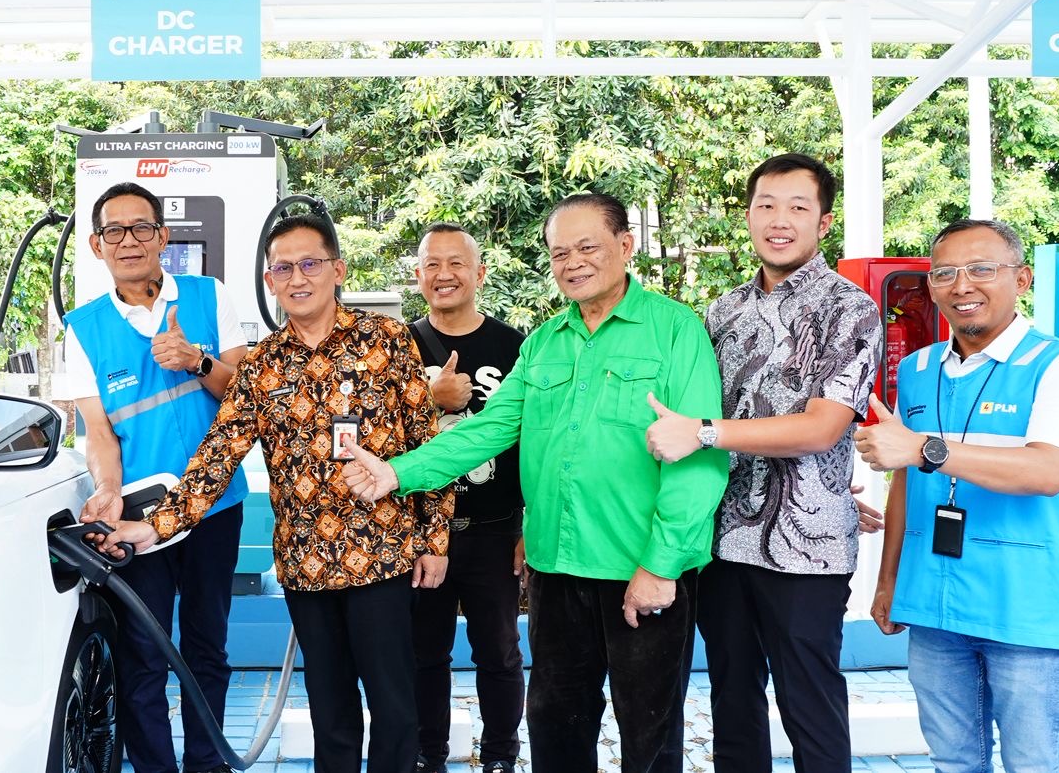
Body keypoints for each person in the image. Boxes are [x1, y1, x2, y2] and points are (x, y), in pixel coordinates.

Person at [341, 193, 729, 773]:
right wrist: (397, 472)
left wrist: (662, 565)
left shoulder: (676, 330)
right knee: (555, 726)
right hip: (556, 567)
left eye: (587, 247)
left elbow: (699, 461)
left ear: (625, 246)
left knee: (649, 734)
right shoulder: (545, 341)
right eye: (559, 253)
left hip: (639, 566)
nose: (572, 263)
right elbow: (489, 428)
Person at [91, 214, 453, 773]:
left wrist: (435, 538)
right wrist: (153, 526)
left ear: (338, 269)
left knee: (395, 707)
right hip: (307, 566)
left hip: (383, 554)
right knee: (331, 713)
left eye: (310, 264)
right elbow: (216, 457)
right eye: (283, 268)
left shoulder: (386, 341)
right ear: (269, 281)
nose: (297, 278)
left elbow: (427, 445)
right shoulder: (262, 367)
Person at [644, 153, 882, 773]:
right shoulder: (721, 312)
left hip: (807, 547)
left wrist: (704, 433)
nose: (780, 220)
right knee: (731, 699)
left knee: (810, 706)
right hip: (722, 541)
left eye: (798, 208)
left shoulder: (849, 308)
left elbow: (822, 428)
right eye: (766, 206)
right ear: (748, 215)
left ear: (823, 222)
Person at [853, 219, 1059, 773]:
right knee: (953, 760)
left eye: (982, 269)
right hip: (935, 602)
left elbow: (1047, 471)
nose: (962, 285)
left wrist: (925, 449)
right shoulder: (917, 369)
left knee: (1035, 762)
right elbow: (906, 480)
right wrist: (888, 580)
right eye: (945, 273)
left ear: (1022, 278)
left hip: (1028, 604)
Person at [64, 181, 249, 773]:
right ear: (97, 245)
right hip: (138, 515)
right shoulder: (83, 328)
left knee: (206, 646)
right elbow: (98, 431)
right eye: (114, 231)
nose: (129, 240)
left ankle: (207, 764)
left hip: (216, 505)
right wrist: (107, 489)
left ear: (163, 237)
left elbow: (244, 395)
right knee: (142, 652)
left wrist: (197, 361)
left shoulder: (207, 296)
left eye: (141, 227)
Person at [407, 223, 526, 773]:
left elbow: (533, 441)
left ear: (480, 272)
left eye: (456, 263)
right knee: (422, 653)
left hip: (494, 528)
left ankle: (501, 756)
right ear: (418, 275)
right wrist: (431, 400)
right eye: (432, 264)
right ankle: (427, 755)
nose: (444, 274)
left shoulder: (516, 346)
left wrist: (528, 524)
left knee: (499, 652)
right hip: (416, 533)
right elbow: (377, 434)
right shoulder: (397, 346)